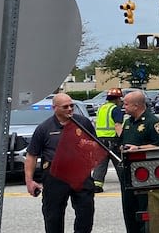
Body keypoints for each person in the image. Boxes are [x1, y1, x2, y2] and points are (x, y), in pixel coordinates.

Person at [24, 93, 96, 233]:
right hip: (55, 176)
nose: (70, 109)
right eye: (65, 107)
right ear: (55, 108)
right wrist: (29, 181)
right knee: (53, 216)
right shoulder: (44, 128)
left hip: (79, 174)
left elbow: (95, 145)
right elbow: (32, 155)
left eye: (71, 106)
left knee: (86, 212)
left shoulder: (83, 123)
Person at [118, 90, 159, 233]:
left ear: (136, 106)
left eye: (126, 104)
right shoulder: (128, 122)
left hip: (145, 175)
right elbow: (123, 141)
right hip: (127, 174)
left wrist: (138, 148)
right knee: (129, 210)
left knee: (143, 210)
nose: (123, 107)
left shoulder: (153, 122)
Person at [91, 88, 124, 193]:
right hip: (112, 140)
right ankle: (125, 182)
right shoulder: (115, 109)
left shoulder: (102, 108)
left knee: (100, 164)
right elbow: (118, 125)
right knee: (120, 162)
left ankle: (97, 185)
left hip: (100, 140)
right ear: (117, 99)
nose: (121, 101)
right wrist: (123, 140)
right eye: (120, 99)